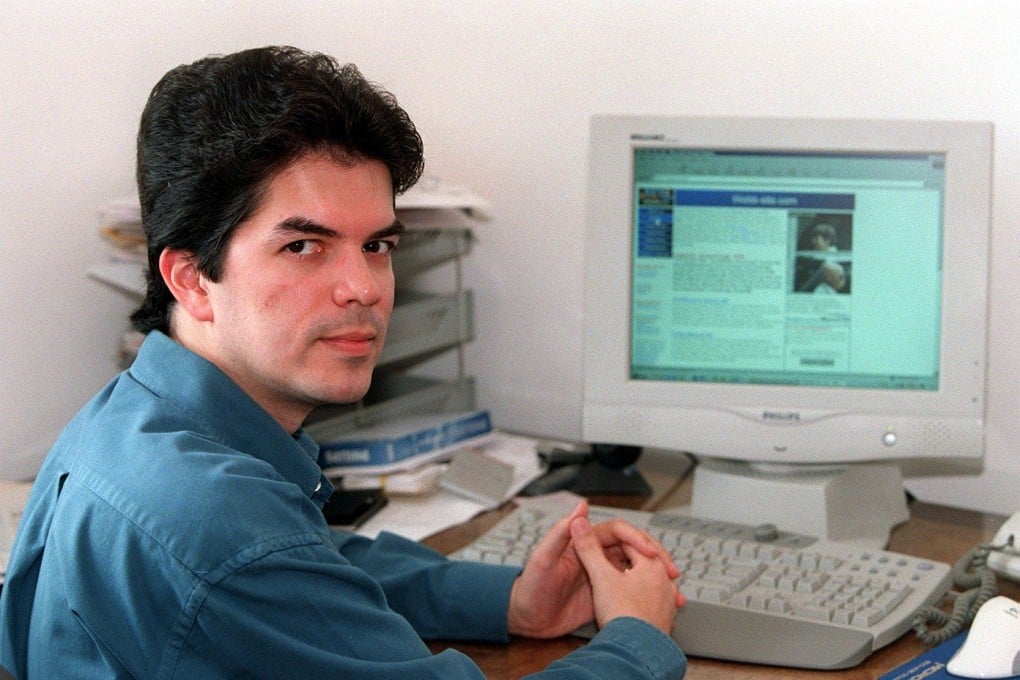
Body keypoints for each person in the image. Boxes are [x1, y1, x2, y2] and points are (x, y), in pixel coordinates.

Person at [0, 46, 686, 679]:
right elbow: (258, 563)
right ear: (190, 278)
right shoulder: (216, 524)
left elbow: (307, 566)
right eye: (304, 246)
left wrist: (507, 601)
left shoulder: (128, 420)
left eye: (378, 245)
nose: (364, 287)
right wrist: (637, 638)